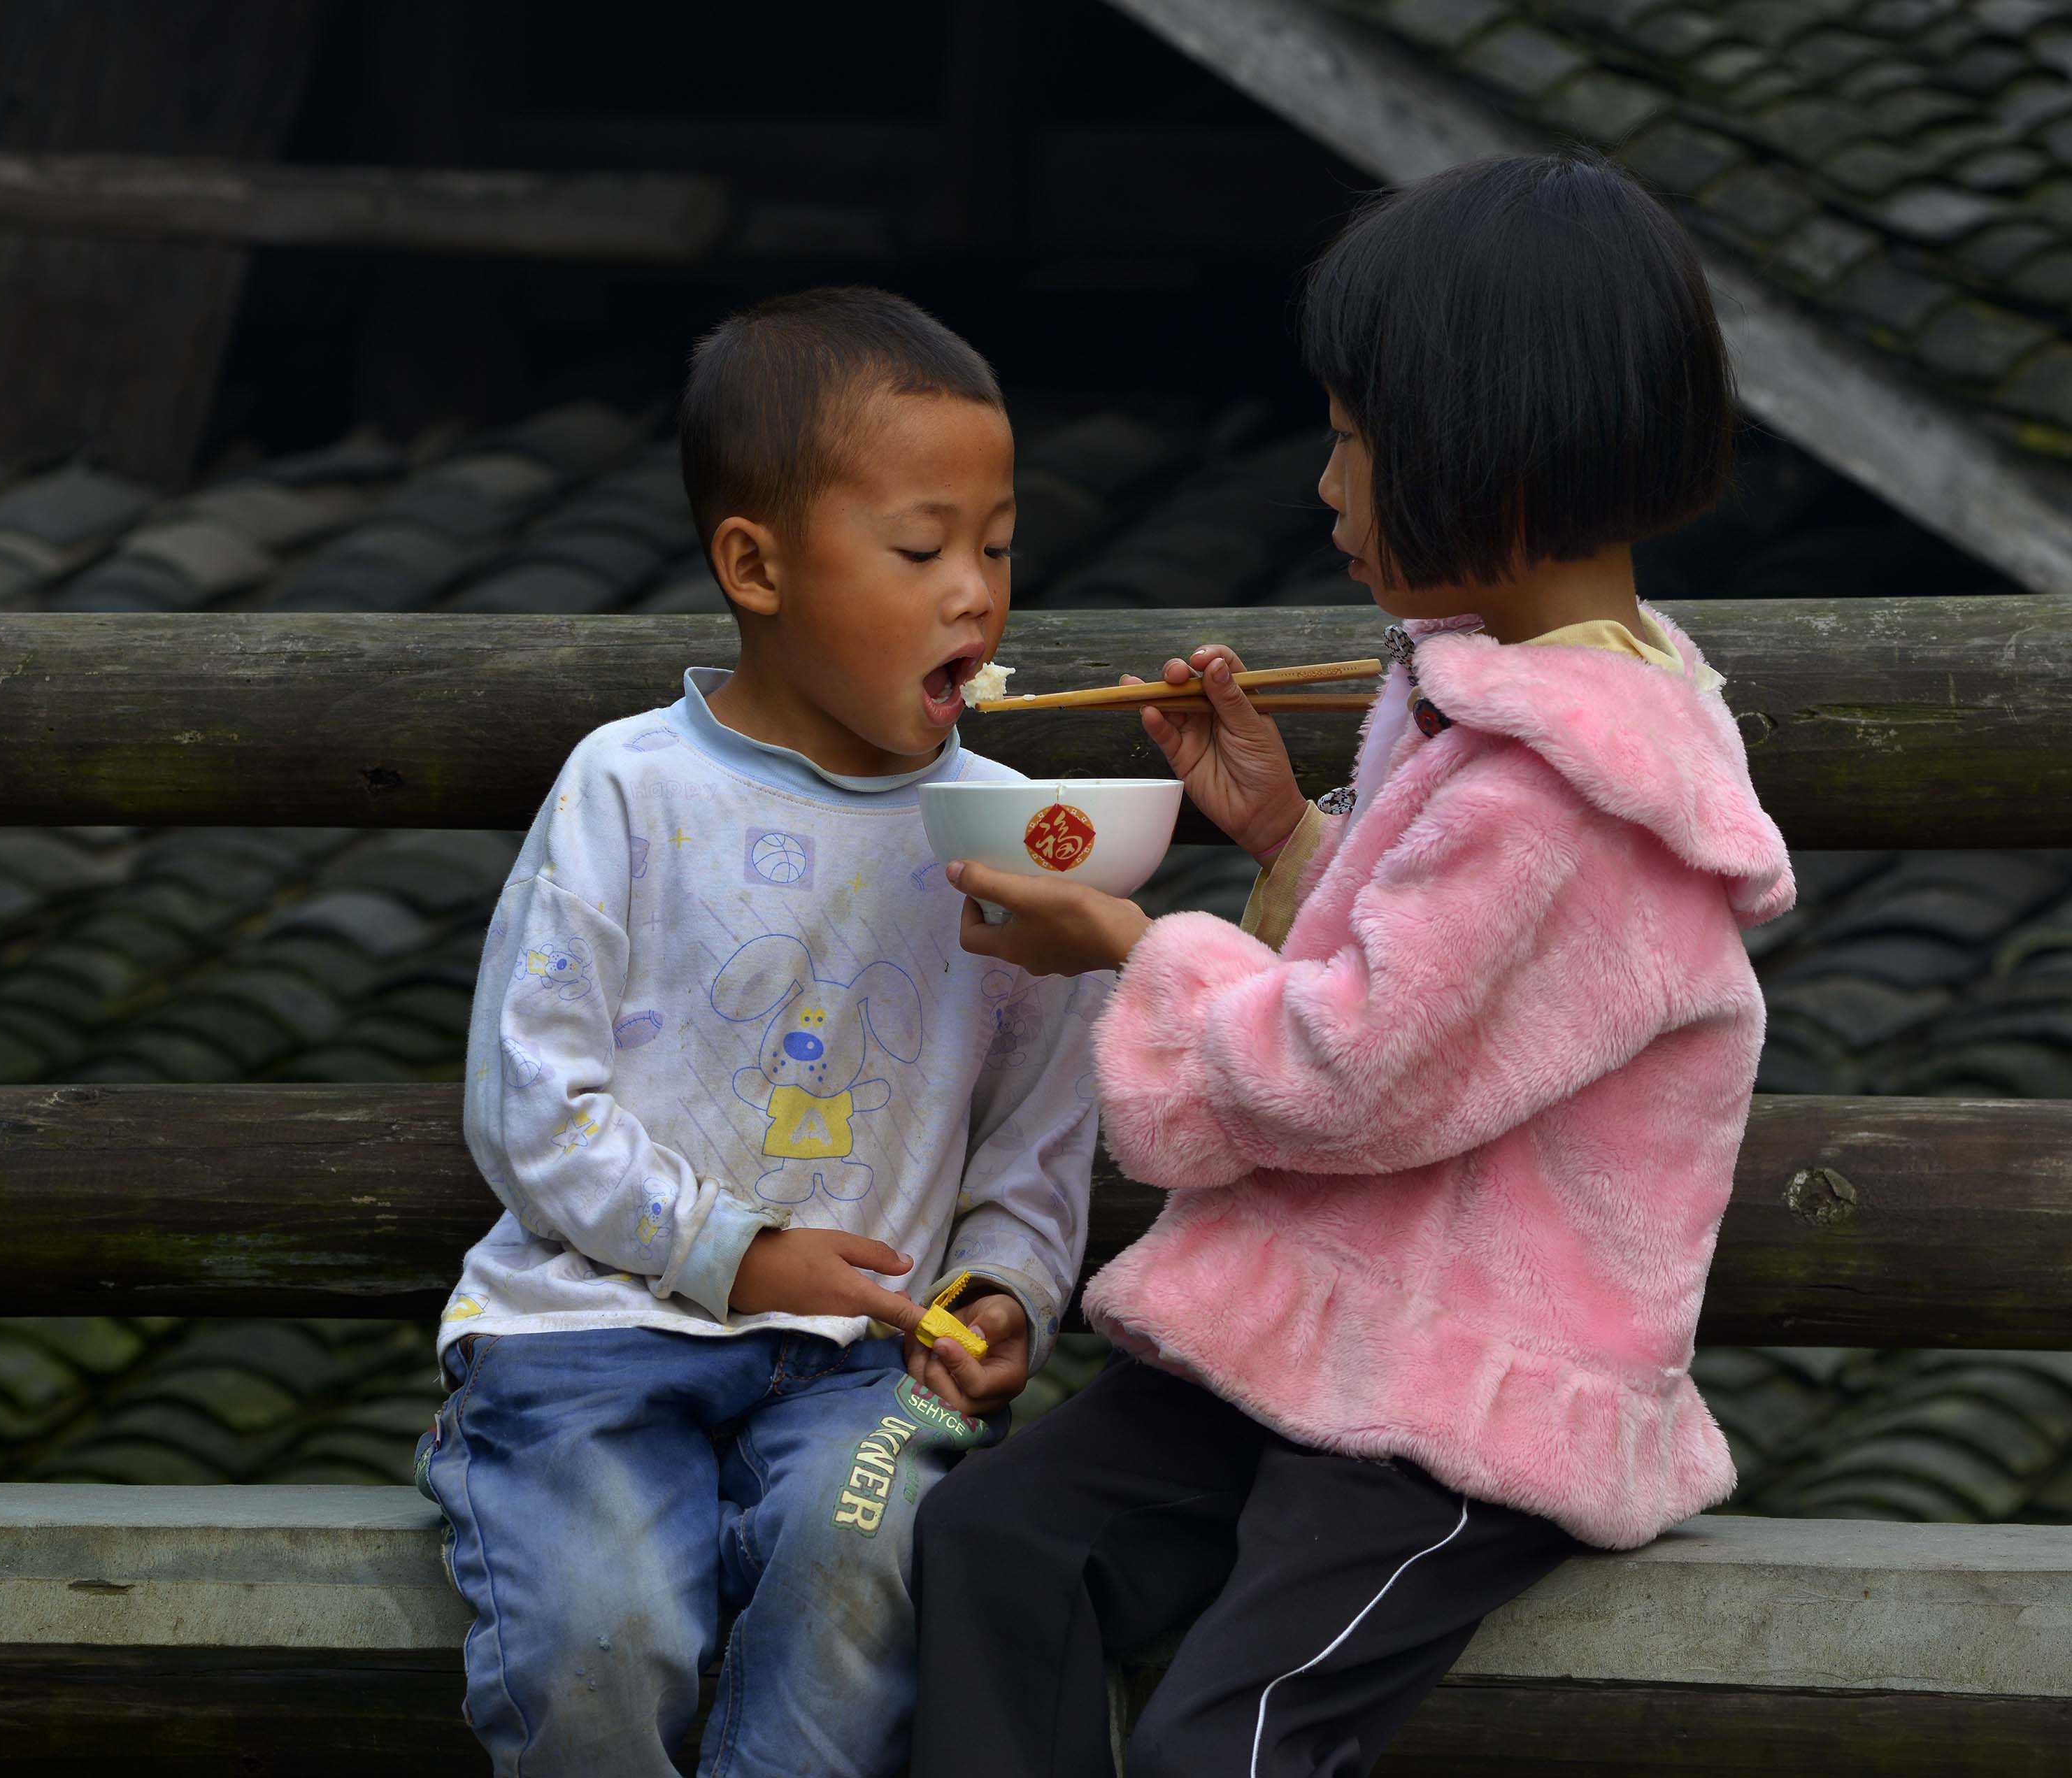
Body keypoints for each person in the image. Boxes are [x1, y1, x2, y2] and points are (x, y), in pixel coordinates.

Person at [910, 153, 1794, 1777]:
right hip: (1331, 1330)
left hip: (1468, 1401)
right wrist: (1281, 837)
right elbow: (1457, 994)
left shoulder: (1566, 785)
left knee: (1226, 1743)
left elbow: (1349, 1070)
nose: (1326, 485)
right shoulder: (1504, 697)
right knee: (997, 1543)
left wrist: (1126, 944)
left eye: (1350, 437)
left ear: (1483, 442)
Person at [417, 285, 1101, 1777]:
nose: (975, 596)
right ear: (756, 565)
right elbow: (532, 1103)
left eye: (996, 548)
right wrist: (736, 1253)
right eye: (921, 550)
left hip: (868, 1372)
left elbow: (1042, 1140)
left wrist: (1006, 1291)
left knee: (868, 1567)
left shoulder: (1016, 832)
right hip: (586, 1345)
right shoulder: (628, 790)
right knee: (598, 1633)